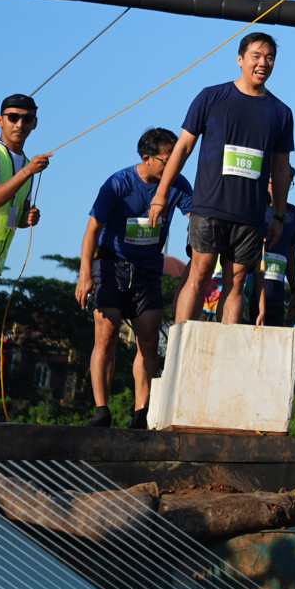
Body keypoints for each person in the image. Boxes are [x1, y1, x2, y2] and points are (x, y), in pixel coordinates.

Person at [146, 32, 293, 325]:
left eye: (269, 58)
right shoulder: (211, 97)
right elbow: (182, 148)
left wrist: (278, 215)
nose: (263, 63)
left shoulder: (281, 112)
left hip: (250, 215)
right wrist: (161, 195)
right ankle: (181, 342)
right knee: (199, 272)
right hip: (209, 206)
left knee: (236, 281)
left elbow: (280, 169)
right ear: (240, 59)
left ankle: (224, 348)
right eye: (256, 56)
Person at [74, 128, 191, 429]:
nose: (173, 165)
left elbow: (197, 218)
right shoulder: (118, 183)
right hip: (111, 265)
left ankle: (141, 414)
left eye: (177, 159)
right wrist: (85, 274)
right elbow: (92, 229)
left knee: (149, 339)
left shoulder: (178, 184)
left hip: (148, 271)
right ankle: (102, 410)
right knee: (107, 334)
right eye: (167, 160)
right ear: (146, 158)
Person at [0, 94, 49, 279]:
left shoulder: (27, 164)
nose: (20, 124)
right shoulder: (26, 167)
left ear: (35, 123)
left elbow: (17, 218)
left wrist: (28, 218)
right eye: (13, 117)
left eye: (27, 119)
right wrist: (27, 171)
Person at [254, 170, 295, 328]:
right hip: (248, 297)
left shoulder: (293, 214)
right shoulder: (253, 207)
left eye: (288, 183)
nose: (283, 186)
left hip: (276, 301)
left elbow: (291, 255)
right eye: (278, 181)